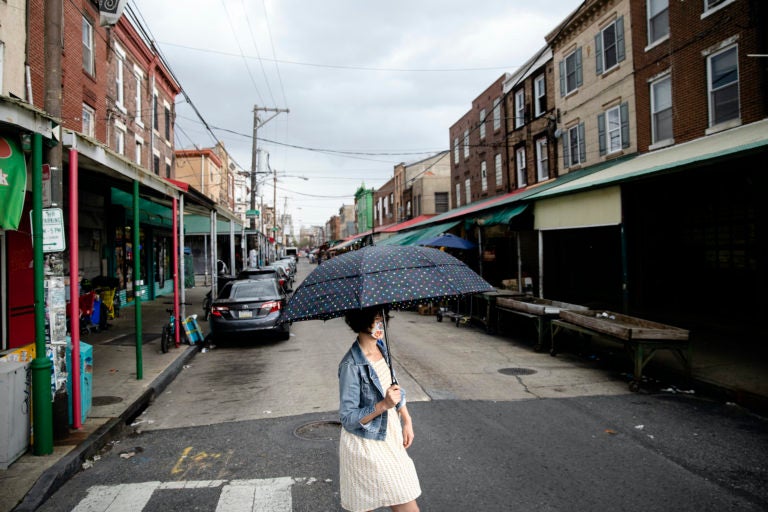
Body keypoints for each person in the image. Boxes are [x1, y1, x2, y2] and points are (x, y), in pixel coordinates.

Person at [338, 307, 421, 512]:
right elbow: (348, 418)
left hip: (390, 438)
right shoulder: (351, 365)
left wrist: (407, 419)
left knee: (404, 496)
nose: (380, 324)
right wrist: (383, 405)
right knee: (372, 503)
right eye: (375, 319)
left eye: (382, 318)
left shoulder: (382, 348)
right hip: (365, 443)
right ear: (360, 322)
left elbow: (395, 388)